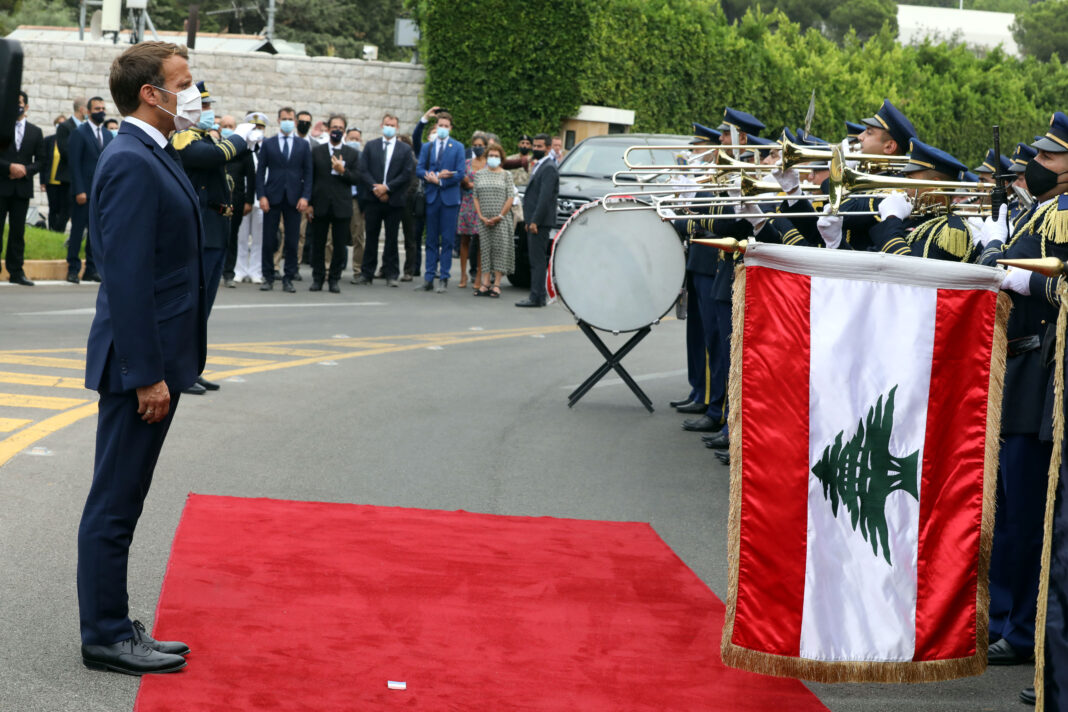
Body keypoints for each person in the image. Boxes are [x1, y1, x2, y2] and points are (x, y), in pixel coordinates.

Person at [78, 40, 204, 677]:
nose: (194, 94)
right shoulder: (131, 158)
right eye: (185, 84)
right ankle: (103, 635)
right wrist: (147, 375)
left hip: (150, 357)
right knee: (115, 501)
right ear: (151, 94)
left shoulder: (149, 150)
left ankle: (111, 621)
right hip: (139, 366)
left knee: (124, 496)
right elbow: (124, 277)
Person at [171, 82, 249, 398]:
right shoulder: (184, 137)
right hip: (201, 228)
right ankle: (178, 371)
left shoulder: (205, 137)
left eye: (209, 107)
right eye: (203, 107)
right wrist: (240, 138)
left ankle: (192, 368)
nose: (208, 113)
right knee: (191, 305)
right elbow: (210, 157)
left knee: (204, 306)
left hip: (217, 226)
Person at [256, 106, 312, 292]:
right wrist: (261, 195)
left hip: (295, 198)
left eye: (290, 119)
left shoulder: (303, 145)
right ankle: (268, 276)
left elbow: (308, 173)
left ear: (294, 122)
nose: (287, 121)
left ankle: (288, 277)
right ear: (279, 120)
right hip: (272, 197)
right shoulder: (269, 143)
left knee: (292, 240)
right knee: (270, 239)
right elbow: (260, 171)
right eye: (284, 118)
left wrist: (305, 197)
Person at [355, 113, 413, 287]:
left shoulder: (404, 149)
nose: (390, 127)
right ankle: (367, 273)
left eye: (393, 125)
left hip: (393, 200)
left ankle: (391, 273)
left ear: (397, 127)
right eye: (387, 124)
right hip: (373, 199)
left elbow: (406, 174)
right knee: (371, 237)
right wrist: (376, 187)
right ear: (382, 125)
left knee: (392, 238)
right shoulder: (371, 146)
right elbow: (363, 170)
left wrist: (387, 188)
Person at [309, 114, 359, 292]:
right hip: (320, 203)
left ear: (344, 131)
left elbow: (356, 178)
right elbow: (310, 178)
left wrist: (343, 171)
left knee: (339, 246)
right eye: (334, 127)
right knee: (318, 243)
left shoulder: (352, 153)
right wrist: (309, 202)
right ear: (328, 129)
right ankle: (318, 277)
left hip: (341, 206)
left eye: (340, 128)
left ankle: (334, 279)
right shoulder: (317, 151)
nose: (337, 131)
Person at [415, 110, 464, 293]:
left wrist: (443, 180)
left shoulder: (457, 147)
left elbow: (460, 173)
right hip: (432, 197)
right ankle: (428, 277)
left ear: (450, 128)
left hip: (449, 199)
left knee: (448, 240)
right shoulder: (428, 147)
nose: (442, 129)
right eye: (440, 126)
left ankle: (444, 277)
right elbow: (419, 169)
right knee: (431, 239)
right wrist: (433, 177)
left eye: (445, 126)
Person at [0, 90, 43, 286]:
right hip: (2, 185)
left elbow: (42, 161)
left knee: (18, 232)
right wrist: (9, 167)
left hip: (22, 189)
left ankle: (16, 271)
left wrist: (25, 170)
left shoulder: (35, 131)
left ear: (26, 106)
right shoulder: (2, 127)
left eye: (19, 102)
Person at [68, 96, 113, 283]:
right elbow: (74, 164)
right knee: (77, 231)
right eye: (96, 108)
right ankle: (73, 268)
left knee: (97, 234)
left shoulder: (109, 135)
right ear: (88, 111)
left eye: (103, 107)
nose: (100, 111)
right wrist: (79, 190)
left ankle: (91, 269)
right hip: (83, 192)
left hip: (101, 194)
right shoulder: (80, 133)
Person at [516, 133, 558, 307]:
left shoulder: (548, 167)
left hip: (539, 222)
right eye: (535, 146)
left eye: (540, 147)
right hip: (533, 220)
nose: (535, 149)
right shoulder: (539, 165)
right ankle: (538, 295)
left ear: (548, 148)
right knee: (536, 260)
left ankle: (537, 297)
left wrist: (534, 221)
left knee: (538, 261)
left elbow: (544, 198)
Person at [473, 142, 515, 297]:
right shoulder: (479, 174)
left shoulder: (506, 175)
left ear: (501, 158)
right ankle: (485, 283)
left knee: (500, 250)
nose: (493, 158)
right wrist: (481, 216)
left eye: (496, 156)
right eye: (491, 155)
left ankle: (497, 284)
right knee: (485, 250)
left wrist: (500, 216)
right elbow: (475, 197)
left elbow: (510, 197)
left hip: (501, 219)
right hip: (484, 220)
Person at [219, 113, 257, 289]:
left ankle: (228, 273)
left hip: (236, 201)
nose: (227, 129)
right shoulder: (214, 147)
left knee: (231, 237)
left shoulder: (244, 152)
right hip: (216, 201)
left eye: (230, 126)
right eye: (224, 125)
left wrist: (249, 201)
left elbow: (251, 178)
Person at [51, 98, 87, 235]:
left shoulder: (85, 128)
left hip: (82, 177)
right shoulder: (65, 126)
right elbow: (64, 151)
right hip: (67, 175)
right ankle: (58, 234)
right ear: (82, 109)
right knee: (65, 209)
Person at [457, 131, 487, 290]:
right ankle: (463, 274)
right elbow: (462, 180)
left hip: (482, 205)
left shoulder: (490, 164)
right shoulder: (466, 162)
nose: (477, 148)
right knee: (464, 240)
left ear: (486, 147)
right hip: (467, 204)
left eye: (480, 146)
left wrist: (473, 185)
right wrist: (465, 182)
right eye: (475, 146)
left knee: (481, 241)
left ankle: (479, 276)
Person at [397, 132, 423, 281]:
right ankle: (386, 267)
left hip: (407, 203)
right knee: (391, 237)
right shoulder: (393, 161)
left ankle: (409, 270)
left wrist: (402, 196)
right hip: (393, 202)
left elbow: (414, 183)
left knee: (410, 238)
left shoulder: (413, 162)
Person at [41, 116, 69, 233]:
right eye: (58, 123)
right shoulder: (48, 140)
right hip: (51, 180)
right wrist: (42, 181)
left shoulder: (69, 140)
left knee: (64, 208)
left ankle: (59, 229)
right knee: (53, 207)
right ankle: (52, 229)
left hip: (64, 181)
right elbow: (43, 162)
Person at [344, 126, 366, 274]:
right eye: (351, 138)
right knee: (334, 236)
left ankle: (358, 269)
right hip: (341, 197)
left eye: (357, 139)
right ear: (346, 138)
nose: (354, 141)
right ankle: (334, 266)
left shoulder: (363, 158)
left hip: (356, 199)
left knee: (358, 235)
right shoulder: (340, 155)